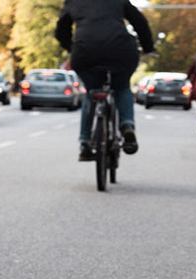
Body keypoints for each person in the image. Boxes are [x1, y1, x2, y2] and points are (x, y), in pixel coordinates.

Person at [55, 0, 155, 161]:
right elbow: (139, 22)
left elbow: (61, 30)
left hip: (85, 52)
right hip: (120, 50)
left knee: (91, 93)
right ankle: (127, 125)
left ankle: (85, 142)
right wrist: (148, 47)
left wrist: (72, 48)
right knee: (122, 87)